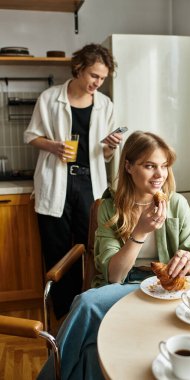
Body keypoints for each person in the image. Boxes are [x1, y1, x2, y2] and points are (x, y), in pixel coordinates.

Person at [37, 131, 190, 380]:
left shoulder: (176, 204)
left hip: (165, 290)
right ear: (128, 166)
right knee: (87, 321)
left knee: (87, 323)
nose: (160, 174)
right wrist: (140, 231)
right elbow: (114, 276)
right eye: (150, 166)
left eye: (164, 166)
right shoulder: (110, 207)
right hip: (126, 286)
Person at [24, 43, 123, 319]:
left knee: (91, 246)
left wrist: (111, 146)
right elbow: (31, 136)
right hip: (56, 181)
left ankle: (87, 305)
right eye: (94, 75)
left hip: (89, 183)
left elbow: (103, 155)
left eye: (103, 78)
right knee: (57, 250)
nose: (98, 83)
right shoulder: (50, 98)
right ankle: (63, 311)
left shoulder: (105, 105)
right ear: (79, 68)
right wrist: (54, 147)